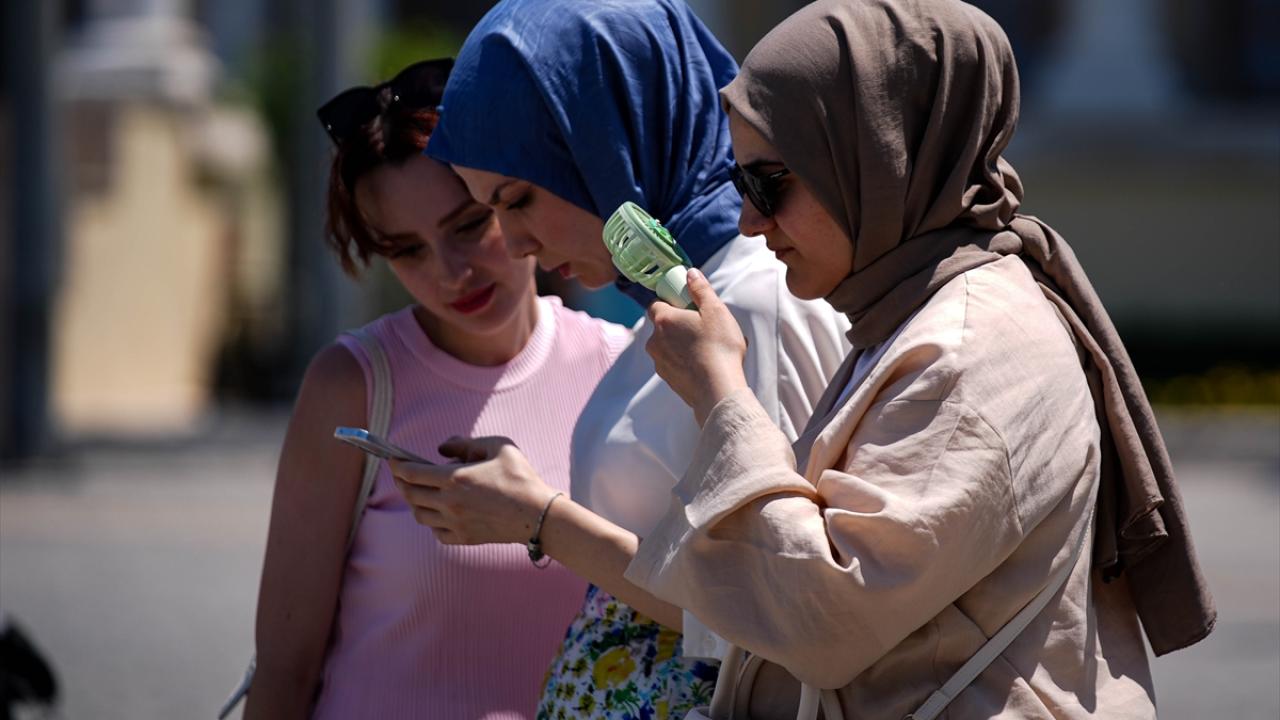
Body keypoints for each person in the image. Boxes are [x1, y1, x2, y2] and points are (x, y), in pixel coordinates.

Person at [629, 0, 1217, 717]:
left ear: (877, 157)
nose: (750, 220)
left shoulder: (973, 346)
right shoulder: (911, 314)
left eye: (768, 183)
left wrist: (719, 391)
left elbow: (824, 615)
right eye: (737, 185)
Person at [391, 1, 851, 717]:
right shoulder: (683, 302)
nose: (514, 243)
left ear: (608, 146)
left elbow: (787, 614)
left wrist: (541, 519)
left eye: (518, 199)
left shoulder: (755, 300)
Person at [245, 59, 630, 720]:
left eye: (468, 225)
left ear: (520, 193)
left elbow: (697, 606)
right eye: (407, 250)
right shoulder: (353, 384)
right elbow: (285, 669)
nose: (451, 272)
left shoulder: (619, 365)